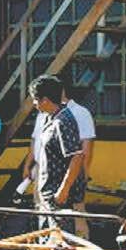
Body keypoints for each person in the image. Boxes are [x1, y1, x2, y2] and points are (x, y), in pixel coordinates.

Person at [27, 75, 87, 228]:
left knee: (60, 237)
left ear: (45, 100)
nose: (33, 103)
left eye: (35, 99)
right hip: (48, 190)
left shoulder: (63, 121)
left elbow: (76, 156)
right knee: (46, 235)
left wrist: (63, 190)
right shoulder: (49, 117)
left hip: (58, 194)